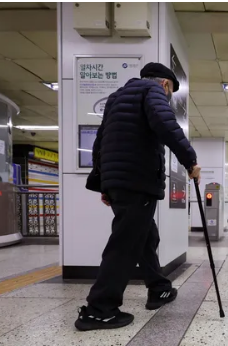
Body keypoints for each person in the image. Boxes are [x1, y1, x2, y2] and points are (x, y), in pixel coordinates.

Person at [76, 62, 201, 331]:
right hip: (137, 181)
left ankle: (159, 288)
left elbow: (100, 142)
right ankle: (99, 310)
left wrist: (104, 184)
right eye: (170, 92)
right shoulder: (153, 91)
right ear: (166, 84)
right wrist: (190, 161)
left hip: (120, 182)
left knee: (145, 236)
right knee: (125, 244)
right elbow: (166, 126)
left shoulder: (117, 97)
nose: (168, 97)